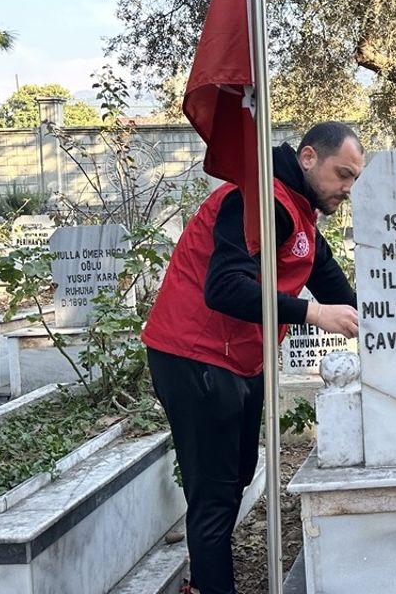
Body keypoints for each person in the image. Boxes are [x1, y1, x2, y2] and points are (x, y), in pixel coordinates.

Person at [141, 122, 364, 594]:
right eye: (342, 174)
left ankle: (206, 580)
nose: (347, 189)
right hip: (193, 354)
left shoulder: (298, 210)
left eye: (353, 179)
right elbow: (223, 287)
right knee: (215, 493)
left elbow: (341, 294)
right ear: (308, 158)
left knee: (236, 476)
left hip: (239, 359)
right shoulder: (256, 200)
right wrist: (312, 313)